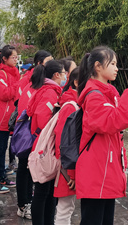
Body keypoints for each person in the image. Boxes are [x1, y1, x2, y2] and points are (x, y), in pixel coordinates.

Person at [76, 46, 128, 225]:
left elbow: (118, 134)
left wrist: (122, 168)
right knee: (93, 220)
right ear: (98, 66)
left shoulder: (108, 93)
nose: (117, 68)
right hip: (96, 170)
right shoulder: (94, 96)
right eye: (112, 64)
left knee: (105, 220)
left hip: (106, 167)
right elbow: (115, 121)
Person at [27, 60, 65, 225]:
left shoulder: (47, 89)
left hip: (43, 145)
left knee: (48, 191)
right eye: (64, 74)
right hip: (45, 147)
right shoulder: (50, 92)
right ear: (56, 75)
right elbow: (42, 118)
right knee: (42, 191)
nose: (65, 77)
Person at [16, 49, 53, 218]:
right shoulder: (29, 84)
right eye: (48, 61)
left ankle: (28, 201)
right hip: (30, 135)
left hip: (36, 136)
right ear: (40, 64)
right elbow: (26, 111)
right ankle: (23, 204)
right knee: (24, 168)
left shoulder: (43, 86)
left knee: (31, 171)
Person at [0, 45, 20, 193]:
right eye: (13, 57)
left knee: (2, 150)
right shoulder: (0, 74)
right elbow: (4, 94)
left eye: (16, 57)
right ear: (5, 59)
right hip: (0, 118)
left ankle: (1, 177)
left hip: (8, 118)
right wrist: (17, 85)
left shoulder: (14, 73)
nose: (16, 60)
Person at [54, 64, 80, 225]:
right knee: (65, 208)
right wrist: (70, 173)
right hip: (67, 166)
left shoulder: (74, 103)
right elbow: (64, 142)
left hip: (70, 165)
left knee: (68, 207)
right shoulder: (71, 106)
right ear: (76, 82)